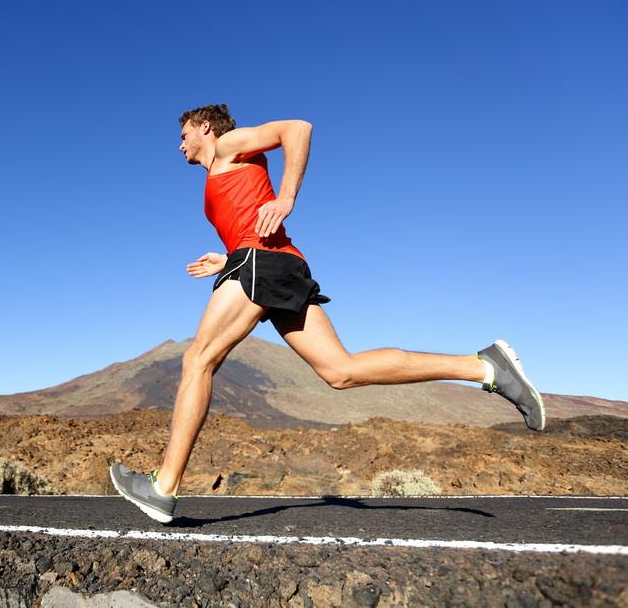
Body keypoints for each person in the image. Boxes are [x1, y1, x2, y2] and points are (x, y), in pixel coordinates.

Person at [109, 103, 545, 524]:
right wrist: (227, 259)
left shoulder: (227, 145)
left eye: (183, 134)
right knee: (341, 371)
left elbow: (297, 128)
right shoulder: (222, 170)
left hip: (260, 263)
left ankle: (163, 486)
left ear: (205, 127)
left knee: (198, 359)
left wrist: (286, 198)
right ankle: (485, 367)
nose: (180, 144)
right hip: (272, 264)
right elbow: (250, 222)